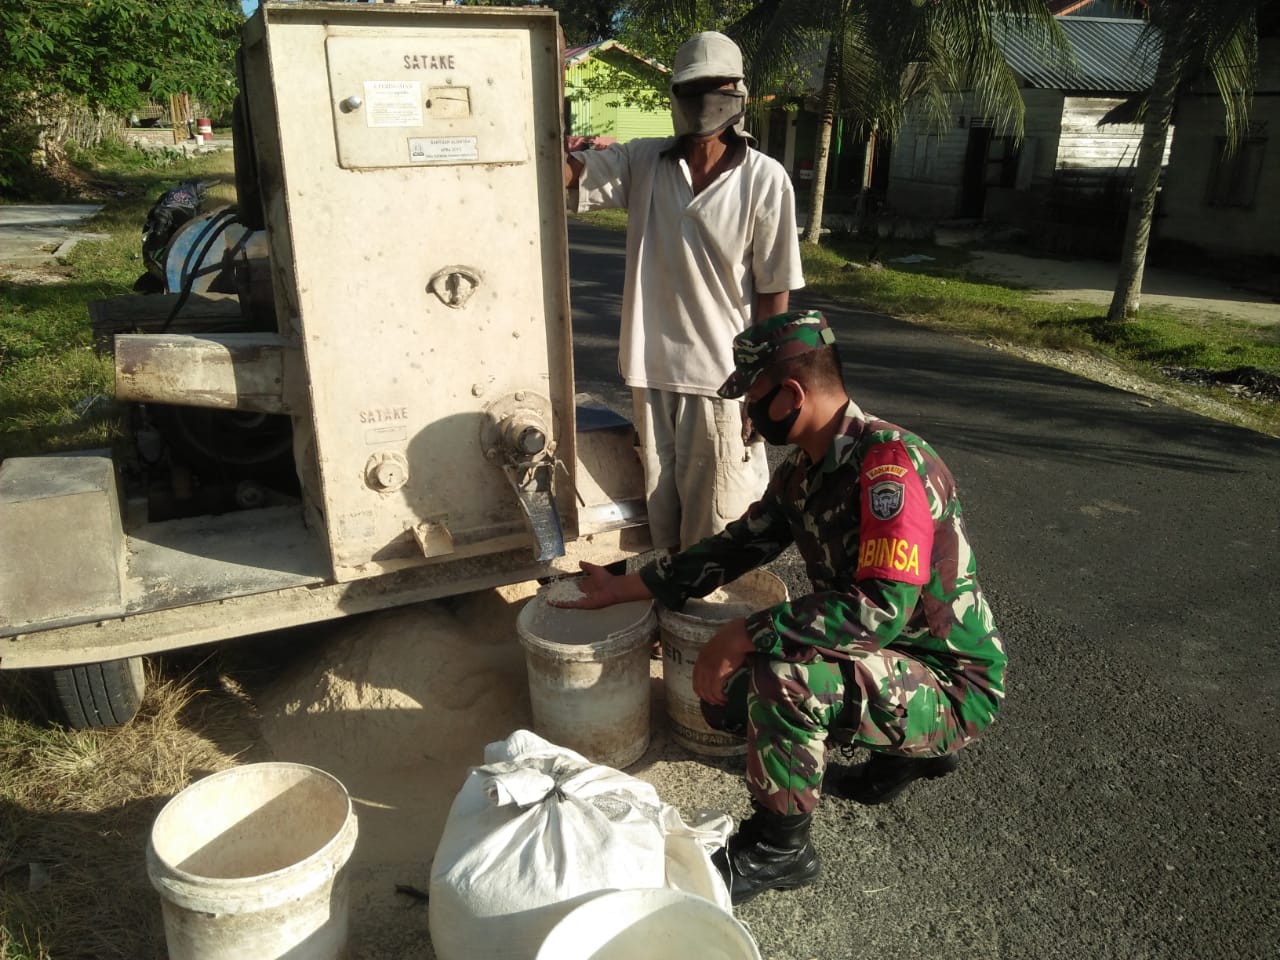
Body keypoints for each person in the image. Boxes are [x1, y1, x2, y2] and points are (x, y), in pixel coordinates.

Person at [553, 310, 1007, 904]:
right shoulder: (805, 473)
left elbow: (877, 610)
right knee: (741, 691)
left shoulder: (890, 468)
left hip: (950, 683)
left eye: (752, 397)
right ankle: (909, 757)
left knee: (780, 678)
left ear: (791, 394)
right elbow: (736, 545)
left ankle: (778, 850)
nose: (746, 414)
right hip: (895, 660)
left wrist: (740, 635)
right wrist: (629, 586)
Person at [564, 31, 805, 552]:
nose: (702, 102)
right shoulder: (644, 162)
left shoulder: (765, 180)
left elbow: (774, 290)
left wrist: (761, 379)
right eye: (690, 89)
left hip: (723, 383)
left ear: (738, 94)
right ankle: (670, 627)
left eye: (715, 88)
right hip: (652, 376)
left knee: (719, 529)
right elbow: (568, 175)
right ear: (675, 96)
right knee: (662, 528)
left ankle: (708, 628)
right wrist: (543, 85)